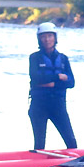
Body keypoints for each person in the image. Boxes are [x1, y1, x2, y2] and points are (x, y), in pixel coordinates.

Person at [28, 22, 77, 150]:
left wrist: (51, 83)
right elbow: (36, 78)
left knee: (71, 142)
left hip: (58, 105)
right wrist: (58, 78)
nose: (47, 39)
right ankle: (37, 165)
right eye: (44, 37)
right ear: (39, 39)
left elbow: (71, 83)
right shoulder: (34, 58)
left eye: (50, 36)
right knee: (39, 144)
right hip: (39, 106)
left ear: (55, 38)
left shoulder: (63, 59)